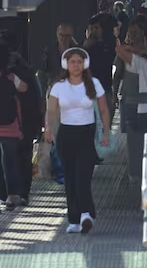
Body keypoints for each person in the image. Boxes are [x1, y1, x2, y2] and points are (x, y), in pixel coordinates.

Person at [45, 48, 111, 233]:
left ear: (85, 64)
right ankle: (73, 219)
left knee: (83, 176)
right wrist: (48, 128)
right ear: (66, 64)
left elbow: (104, 109)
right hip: (66, 135)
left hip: (86, 134)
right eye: (73, 62)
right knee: (70, 178)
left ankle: (86, 214)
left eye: (79, 62)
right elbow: (51, 110)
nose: (76, 65)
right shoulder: (59, 86)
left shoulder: (94, 83)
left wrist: (106, 133)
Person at [0, 41, 30, 211]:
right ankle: (12, 195)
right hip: (10, 127)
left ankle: (2, 194)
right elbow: (24, 88)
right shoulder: (11, 77)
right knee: (10, 161)